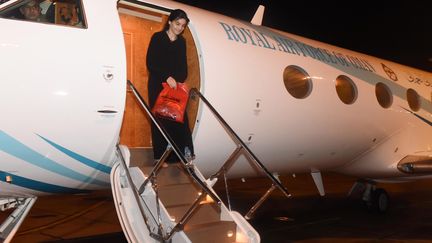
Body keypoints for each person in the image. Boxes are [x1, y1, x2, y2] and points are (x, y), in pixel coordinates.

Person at [146, 9, 194, 164]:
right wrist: (167, 77)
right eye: (177, 23)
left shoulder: (182, 42)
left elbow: (183, 69)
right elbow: (151, 63)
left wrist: (176, 80)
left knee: (179, 118)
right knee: (160, 118)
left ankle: (181, 153)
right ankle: (160, 156)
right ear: (170, 22)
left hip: (174, 87)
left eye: (183, 25)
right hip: (157, 85)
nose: (180, 28)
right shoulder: (158, 38)